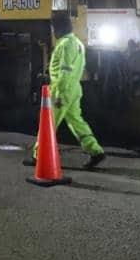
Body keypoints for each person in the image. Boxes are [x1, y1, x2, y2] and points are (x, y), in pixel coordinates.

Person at [26, 13, 106, 169]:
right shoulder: (77, 43)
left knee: (48, 123)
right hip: (74, 88)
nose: (53, 31)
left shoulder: (64, 45)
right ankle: (95, 151)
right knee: (76, 122)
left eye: (53, 27)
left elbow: (64, 72)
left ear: (58, 28)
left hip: (62, 90)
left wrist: (58, 94)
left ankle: (38, 156)